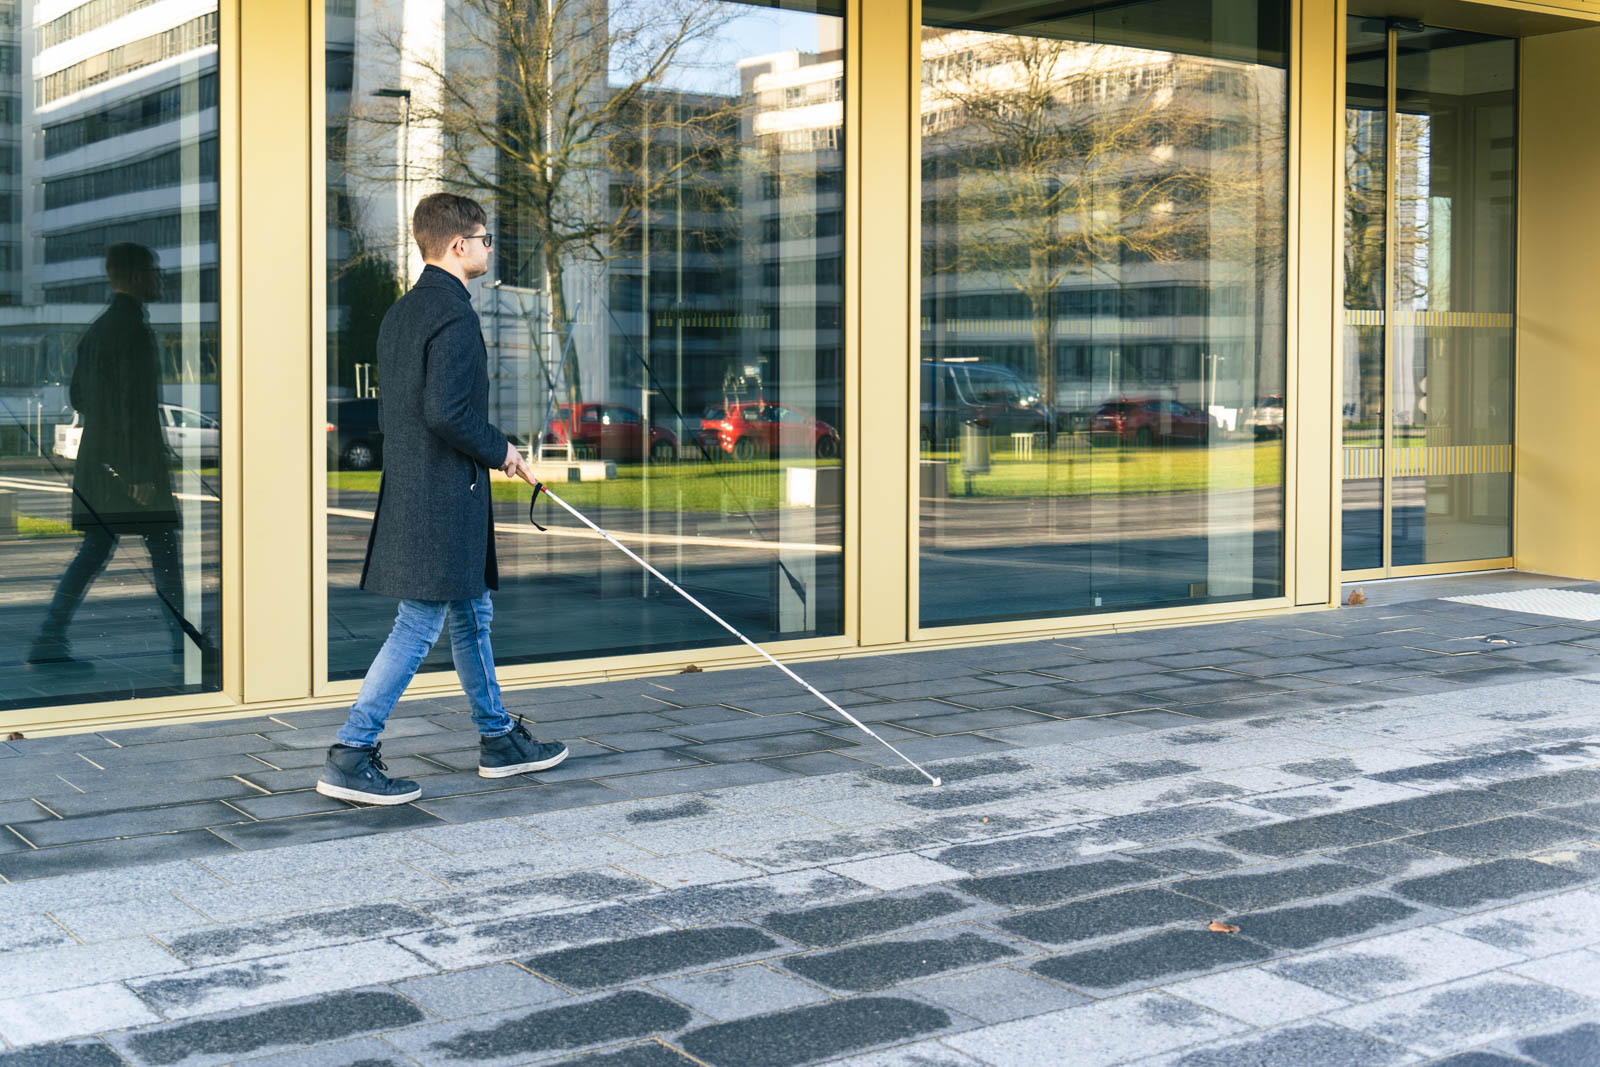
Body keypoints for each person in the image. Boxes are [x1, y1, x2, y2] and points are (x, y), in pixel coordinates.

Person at [317, 192, 568, 805]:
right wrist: (500, 448)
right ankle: (352, 750)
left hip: (417, 489)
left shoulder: (401, 313)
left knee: (471, 615)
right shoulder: (454, 316)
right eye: (484, 239)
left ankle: (498, 738)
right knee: (419, 624)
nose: (489, 249)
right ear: (459, 245)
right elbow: (447, 412)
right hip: (442, 497)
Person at [27, 243, 191, 673]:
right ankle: (186, 648)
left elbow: (81, 396)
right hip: (131, 472)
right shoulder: (132, 329)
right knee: (165, 555)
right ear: (137, 276)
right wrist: (137, 470)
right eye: (155, 272)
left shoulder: (101, 328)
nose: (160, 280)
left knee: (97, 549)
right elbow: (130, 404)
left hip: (102, 468)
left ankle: (50, 637)